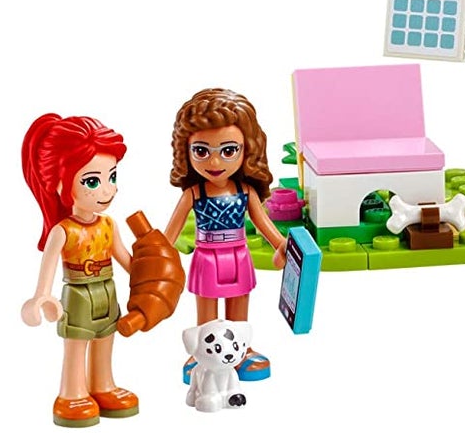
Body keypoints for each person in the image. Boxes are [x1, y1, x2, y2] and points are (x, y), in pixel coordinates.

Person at [21, 114, 141, 429]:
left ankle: (103, 385)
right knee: (76, 344)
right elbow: (47, 268)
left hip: (107, 290)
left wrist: (149, 277)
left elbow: (125, 260)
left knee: (106, 339)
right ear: (61, 184)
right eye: (92, 181)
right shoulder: (63, 231)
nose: (107, 190)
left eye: (112, 177)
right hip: (77, 294)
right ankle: (71, 393)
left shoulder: (109, 225)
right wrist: (41, 296)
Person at [164, 89, 289, 384]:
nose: (215, 161)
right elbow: (170, 234)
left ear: (247, 150)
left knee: (238, 304)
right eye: (202, 151)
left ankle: (240, 350)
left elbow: (263, 223)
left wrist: (281, 245)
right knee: (207, 307)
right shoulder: (193, 193)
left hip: (239, 253)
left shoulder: (245, 191)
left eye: (228, 150)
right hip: (206, 255)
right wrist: (157, 257)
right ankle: (202, 353)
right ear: (187, 151)